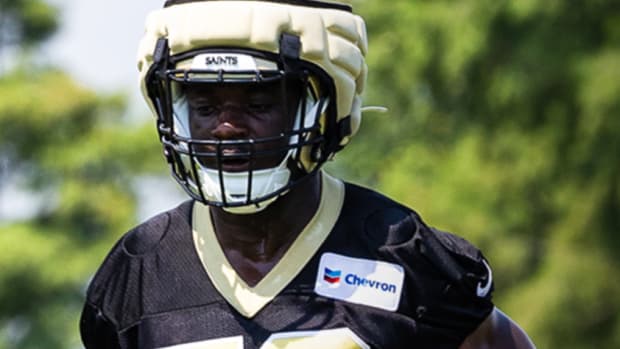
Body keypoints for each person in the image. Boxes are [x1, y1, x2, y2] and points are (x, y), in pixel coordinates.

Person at [80, 0, 536, 348]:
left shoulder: (405, 258)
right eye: (204, 106)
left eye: (259, 103)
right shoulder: (137, 271)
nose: (227, 127)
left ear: (323, 107)